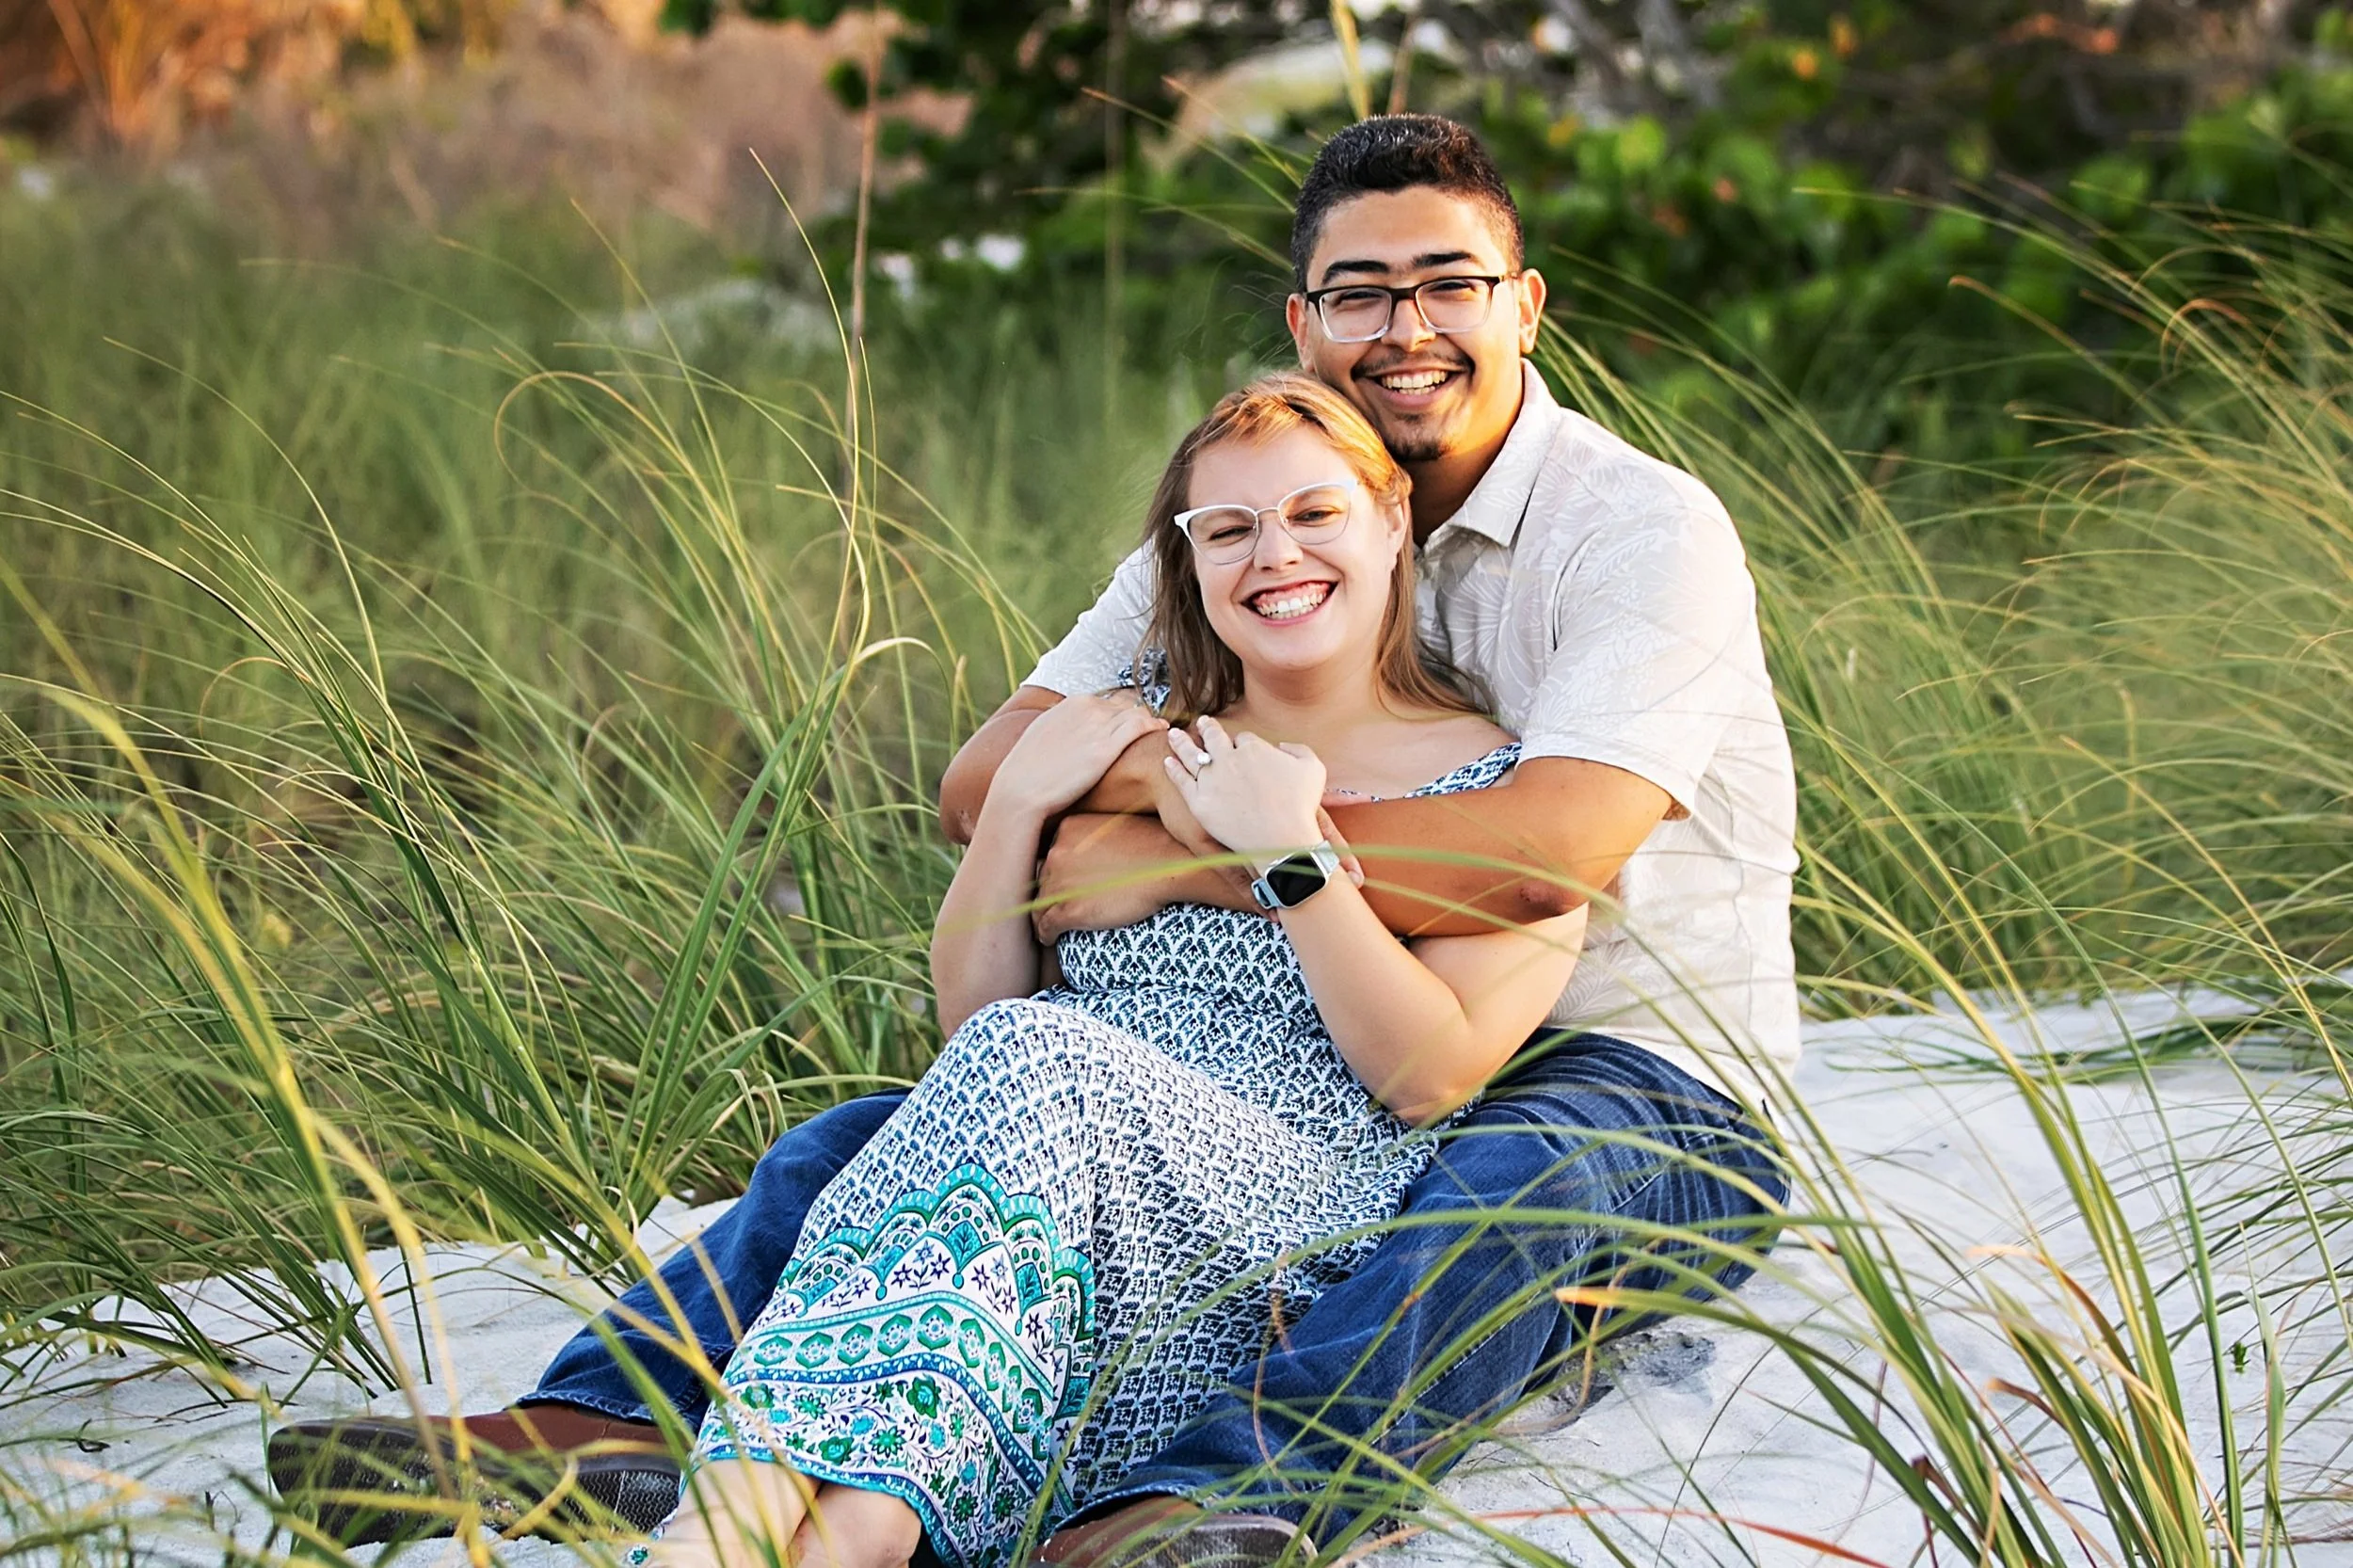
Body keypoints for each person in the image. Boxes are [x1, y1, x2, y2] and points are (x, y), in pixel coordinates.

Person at [267, 113, 1796, 1563]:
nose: (1406, 324)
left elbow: (1548, 852)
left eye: (1448, 283)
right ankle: (608, 1420)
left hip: (1629, 1069)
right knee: (853, 1144)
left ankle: (1196, 1509)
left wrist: (1199, 848)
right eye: (1359, 292)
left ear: (1522, 303)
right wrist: (1119, 811)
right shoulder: (1268, 495)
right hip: (1293, 1057)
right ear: (1301, 320)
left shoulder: (1636, 531)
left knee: (1504, 1189)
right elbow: (990, 770)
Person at [629, 372, 1588, 1568]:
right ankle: (791, 1539)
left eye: (1313, 514)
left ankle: (716, 1533)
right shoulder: (1130, 736)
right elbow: (974, 1026)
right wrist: (1021, 800)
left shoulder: (1494, 784)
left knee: (1039, 1062)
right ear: (1187, 563)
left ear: (1393, 519)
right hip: (1042, 1215)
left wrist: (1293, 861)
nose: (1272, 555)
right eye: (1227, 530)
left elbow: (1430, 1077)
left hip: (1278, 1215)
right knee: (1010, 1075)